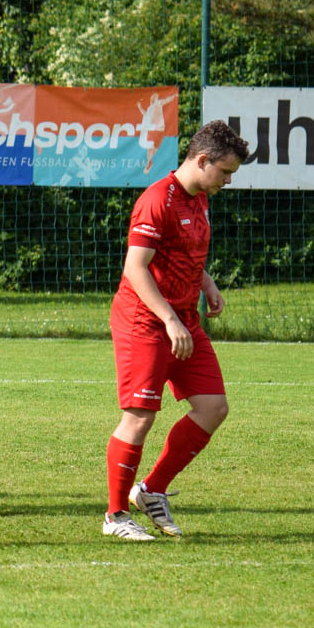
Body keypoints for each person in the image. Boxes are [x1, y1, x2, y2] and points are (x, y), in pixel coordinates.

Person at [103, 120, 247, 541]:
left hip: (183, 320)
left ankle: (151, 490)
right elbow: (136, 268)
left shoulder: (199, 198)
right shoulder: (156, 200)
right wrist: (168, 319)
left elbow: (184, 251)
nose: (228, 181)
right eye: (225, 171)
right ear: (202, 160)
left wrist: (206, 283)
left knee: (213, 407)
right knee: (140, 416)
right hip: (146, 321)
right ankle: (115, 516)